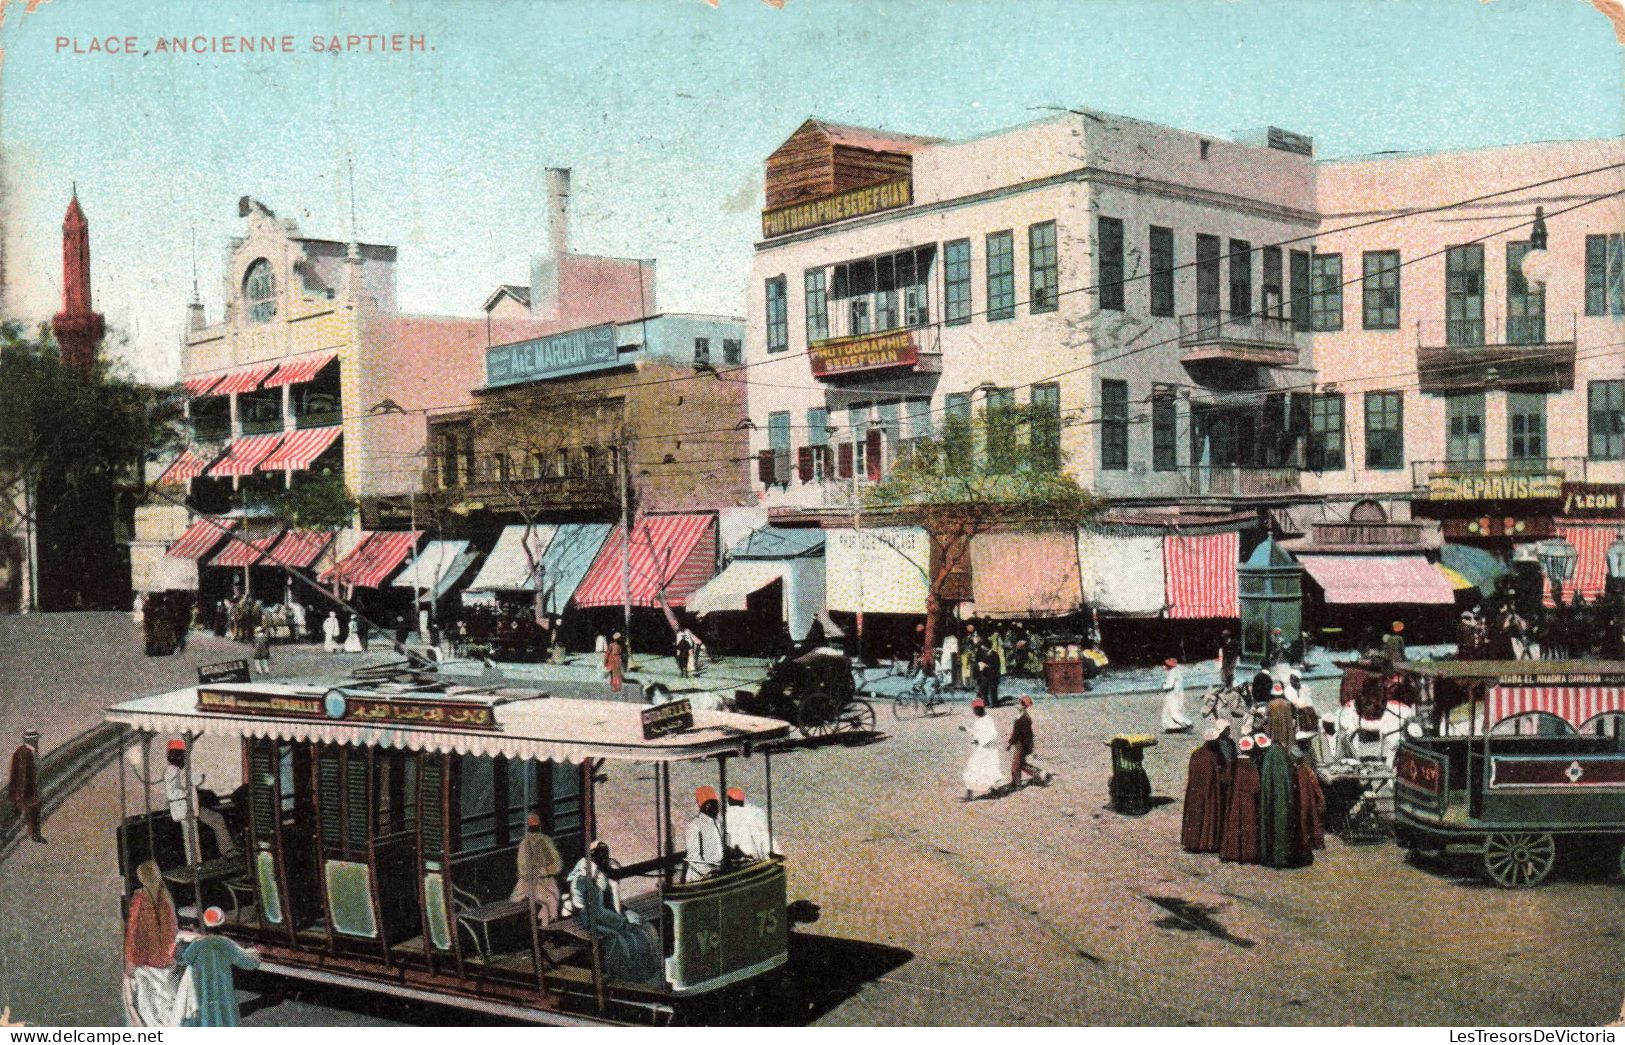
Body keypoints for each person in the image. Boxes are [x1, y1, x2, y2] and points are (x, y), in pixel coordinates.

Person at [566, 842, 661, 985]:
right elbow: (592, 910)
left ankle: (644, 970)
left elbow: (611, 902)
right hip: (590, 918)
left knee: (642, 929)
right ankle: (618, 974)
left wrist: (623, 915)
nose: (605, 860)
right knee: (618, 937)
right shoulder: (584, 877)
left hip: (605, 913)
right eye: (601, 856)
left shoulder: (600, 873)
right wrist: (621, 922)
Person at [123, 860, 183, 1027]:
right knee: (168, 1000)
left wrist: (129, 958)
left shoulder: (139, 897)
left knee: (147, 1004)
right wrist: (170, 952)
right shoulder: (164, 895)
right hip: (164, 957)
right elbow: (171, 928)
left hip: (145, 957)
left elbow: (133, 930)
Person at [178, 907, 259, 1027]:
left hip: (201, 981)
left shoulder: (198, 943)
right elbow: (246, 961)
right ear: (221, 925)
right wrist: (255, 953)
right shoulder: (226, 943)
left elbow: (184, 959)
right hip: (220, 982)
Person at [163, 740, 236, 863]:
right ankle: (196, 864)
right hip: (185, 809)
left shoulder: (179, 770)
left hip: (192, 807)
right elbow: (172, 792)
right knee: (192, 838)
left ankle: (227, 851)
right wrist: (187, 793)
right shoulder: (171, 771)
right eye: (182, 755)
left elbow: (190, 781)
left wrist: (199, 779)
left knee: (215, 820)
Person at [510, 813, 562, 925]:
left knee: (552, 898)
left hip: (547, 881)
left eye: (535, 827)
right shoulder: (524, 844)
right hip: (528, 884)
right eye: (531, 828)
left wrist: (545, 871)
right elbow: (523, 870)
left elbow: (557, 864)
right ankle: (543, 928)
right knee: (544, 902)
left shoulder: (546, 841)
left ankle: (548, 927)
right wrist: (536, 872)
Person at [960, 699, 1003, 800]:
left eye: (976, 709)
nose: (975, 711)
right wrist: (966, 729)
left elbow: (992, 735)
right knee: (975, 770)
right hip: (980, 750)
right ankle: (971, 793)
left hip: (987, 751)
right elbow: (976, 733)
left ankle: (993, 791)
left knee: (978, 770)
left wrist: (979, 741)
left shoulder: (988, 720)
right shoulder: (979, 721)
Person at [1006, 695, 1051, 789]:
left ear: (1023, 706)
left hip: (1022, 745)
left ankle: (1016, 784)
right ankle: (1041, 774)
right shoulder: (1021, 716)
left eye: (1018, 703)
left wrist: (1011, 743)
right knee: (1021, 764)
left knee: (1016, 765)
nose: (1016, 704)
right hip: (1020, 744)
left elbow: (1022, 734)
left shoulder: (1024, 719)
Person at [7, 729, 44, 844]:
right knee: (29, 811)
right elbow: (22, 775)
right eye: (36, 739)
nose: (37, 741)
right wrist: (22, 794)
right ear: (32, 740)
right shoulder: (25, 753)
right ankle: (35, 834)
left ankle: (35, 834)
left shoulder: (30, 751)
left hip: (31, 788)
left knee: (32, 811)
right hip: (27, 790)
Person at [683, 786, 725, 880]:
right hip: (699, 878)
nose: (718, 808)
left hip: (716, 873)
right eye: (716, 805)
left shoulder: (717, 823)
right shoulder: (694, 826)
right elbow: (693, 858)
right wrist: (708, 872)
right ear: (707, 806)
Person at [725, 787, 772, 861]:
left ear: (730, 800)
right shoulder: (751, 814)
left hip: (742, 859)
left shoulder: (729, 815)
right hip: (756, 857)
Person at [1161, 658, 1192, 733]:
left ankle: (1185, 724)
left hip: (1172, 695)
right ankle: (1174, 726)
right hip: (1178, 694)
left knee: (1172, 711)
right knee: (1175, 710)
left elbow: (1170, 686)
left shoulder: (1172, 673)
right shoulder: (1177, 671)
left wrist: (1163, 686)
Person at [974, 637, 1003, 708]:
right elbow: (977, 662)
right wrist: (979, 665)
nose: (982, 647)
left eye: (982, 645)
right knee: (983, 689)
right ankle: (985, 702)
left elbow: (997, 666)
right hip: (984, 675)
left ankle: (994, 703)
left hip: (993, 675)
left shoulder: (994, 654)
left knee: (993, 690)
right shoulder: (981, 653)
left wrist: (986, 666)